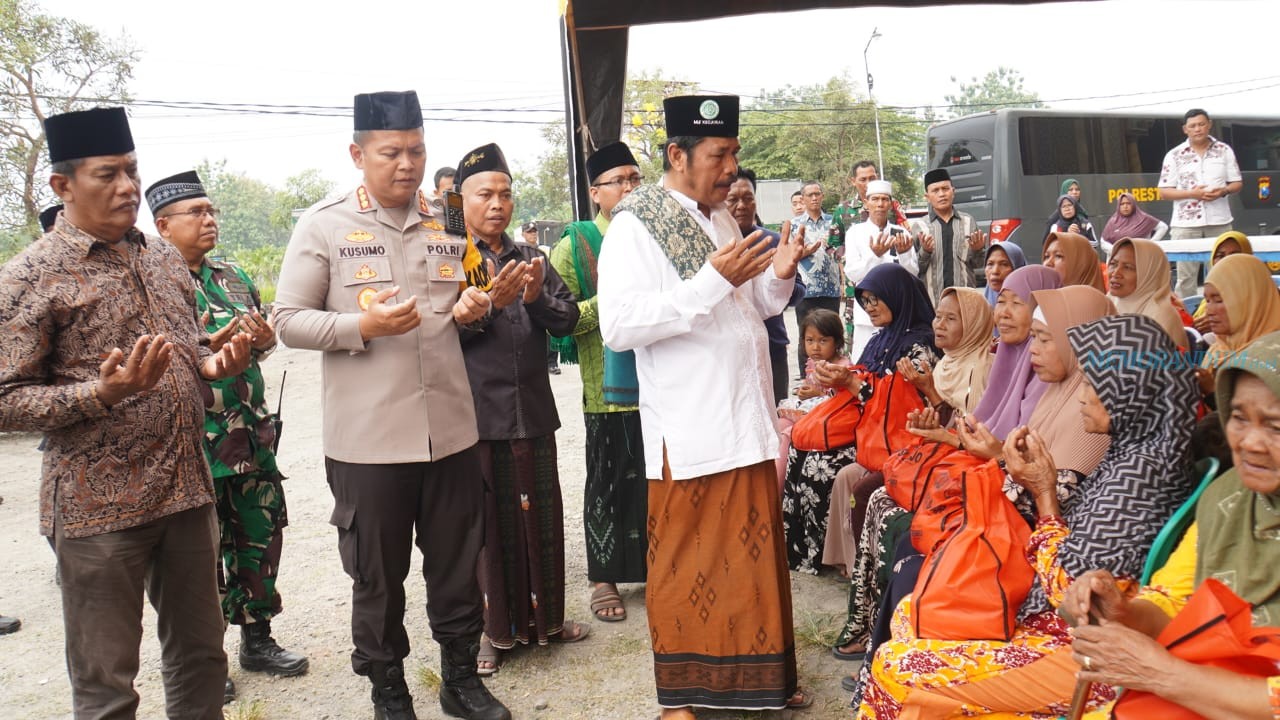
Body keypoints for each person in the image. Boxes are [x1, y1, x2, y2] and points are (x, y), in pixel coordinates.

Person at [0, 106, 254, 718]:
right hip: (96, 515)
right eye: (108, 174)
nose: (128, 188)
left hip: (186, 493)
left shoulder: (163, 258)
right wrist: (100, 394)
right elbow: (4, 400)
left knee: (201, 660)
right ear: (62, 186)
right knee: (107, 684)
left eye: (133, 172)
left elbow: (187, 343)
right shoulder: (30, 277)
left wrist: (212, 363)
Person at [274, 91, 514, 720]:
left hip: (452, 433)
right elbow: (288, 320)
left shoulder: (446, 221)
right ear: (358, 154)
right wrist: (361, 327)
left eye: (416, 149)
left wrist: (473, 307)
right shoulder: (323, 224)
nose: (406, 163)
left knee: (459, 565)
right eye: (390, 152)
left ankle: (461, 681)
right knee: (378, 579)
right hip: (370, 442)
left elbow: (462, 300)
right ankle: (390, 692)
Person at [858, 313, 1198, 719]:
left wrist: (1045, 493)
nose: (1083, 396)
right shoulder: (1139, 451)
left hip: (1078, 652)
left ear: (1134, 389)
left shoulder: (1139, 480)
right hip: (1063, 630)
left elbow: (1071, 598)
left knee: (896, 663)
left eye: (1095, 384)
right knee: (909, 614)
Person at [597, 93, 818, 717]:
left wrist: (776, 273)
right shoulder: (636, 224)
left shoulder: (720, 217)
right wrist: (710, 281)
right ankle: (681, 700)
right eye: (719, 155)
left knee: (750, 561)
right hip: (692, 429)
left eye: (733, 155)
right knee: (684, 566)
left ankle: (760, 684)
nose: (731, 170)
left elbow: (751, 309)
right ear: (677, 154)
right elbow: (619, 324)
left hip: (743, 418)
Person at [147, 171, 309, 688]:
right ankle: (205, 660)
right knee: (200, 554)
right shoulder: (151, 284)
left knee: (259, 535)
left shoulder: (234, 275)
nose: (209, 219)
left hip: (251, 436)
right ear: (163, 225)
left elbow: (261, 342)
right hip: (193, 444)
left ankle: (258, 640)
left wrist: (262, 340)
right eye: (196, 212)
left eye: (211, 210)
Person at [1065, 331, 1280, 719]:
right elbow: (1175, 599)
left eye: (1275, 427)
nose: (1250, 443)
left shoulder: (1142, 473)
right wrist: (1121, 612)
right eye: (1238, 417)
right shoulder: (1231, 501)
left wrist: (1163, 675)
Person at [453, 142, 587, 675]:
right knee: (486, 528)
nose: (497, 204)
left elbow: (568, 321)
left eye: (505, 194)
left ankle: (547, 623)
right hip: (477, 418)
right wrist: (490, 305)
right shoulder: (447, 258)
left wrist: (534, 299)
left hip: (533, 412)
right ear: (460, 200)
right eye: (485, 194)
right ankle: (492, 633)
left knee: (543, 519)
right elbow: (444, 332)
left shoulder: (531, 259)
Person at [782, 265, 938, 576]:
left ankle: (833, 557)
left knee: (821, 465)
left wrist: (850, 383)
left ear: (897, 296)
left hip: (898, 439)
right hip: (865, 430)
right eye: (864, 301)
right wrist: (834, 380)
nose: (869, 307)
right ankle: (805, 552)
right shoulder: (880, 340)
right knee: (798, 449)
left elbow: (901, 405)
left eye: (876, 299)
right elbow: (861, 383)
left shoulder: (922, 344)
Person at [549, 140, 648, 625]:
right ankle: (603, 576)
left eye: (635, 179)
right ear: (596, 193)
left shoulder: (655, 234)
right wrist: (612, 302)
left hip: (659, 383)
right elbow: (559, 318)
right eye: (618, 181)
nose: (629, 189)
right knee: (607, 480)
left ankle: (653, 565)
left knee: (654, 478)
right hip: (604, 387)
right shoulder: (575, 243)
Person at [727, 167, 805, 404]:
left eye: (748, 198)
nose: (741, 205)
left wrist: (779, 278)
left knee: (776, 414)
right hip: (730, 350)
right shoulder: (715, 243)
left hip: (772, 345)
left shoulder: (772, 241)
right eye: (733, 199)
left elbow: (798, 292)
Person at [1159, 108, 1244, 299]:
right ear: (1185, 129)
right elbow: (1164, 191)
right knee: (1186, 277)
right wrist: (1193, 194)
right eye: (1193, 126)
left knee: (1223, 272)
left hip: (1220, 222)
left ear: (1209, 124)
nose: (1198, 129)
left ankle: (1225, 312)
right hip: (1185, 225)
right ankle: (1187, 320)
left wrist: (1223, 191)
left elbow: (1237, 182)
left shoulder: (1224, 150)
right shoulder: (1174, 155)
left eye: (1201, 124)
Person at [845, 179, 919, 361]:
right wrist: (875, 255)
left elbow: (913, 274)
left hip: (897, 314)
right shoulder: (855, 233)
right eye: (875, 199)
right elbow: (853, 273)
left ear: (891, 204)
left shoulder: (901, 232)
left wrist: (903, 254)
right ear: (866, 203)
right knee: (864, 365)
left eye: (885, 199)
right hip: (867, 315)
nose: (880, 204)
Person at [775, 309, 848, 489]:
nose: (815, 347)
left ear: (837, 342)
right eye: (810, 341)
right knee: (780, 424)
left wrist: (818, 395)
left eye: (823, 341)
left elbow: (844, 400)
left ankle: (777, 488)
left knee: (786, 433)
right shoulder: (813, 364)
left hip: (831, 419)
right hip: (814, 413)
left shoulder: (842, 367)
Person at [1197, 254, 1280, 397]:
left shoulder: (1271, 357)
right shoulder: (1217, 349)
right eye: (1207, 300)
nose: (1209, 311)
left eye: (1218, 300)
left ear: (1250, 301)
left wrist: (1212, 392)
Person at [911, 168, 987, 305]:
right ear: (927, 197)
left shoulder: (968, 222)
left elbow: (979, 265)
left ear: (953, 191)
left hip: (965, 303)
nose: (942, 194)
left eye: (945, 189)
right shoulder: (919, 227)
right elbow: (914, 269)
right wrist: (925, 252)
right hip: (932, 305)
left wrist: (978, 249)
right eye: (935, 190)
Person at [791, 179, 842, 376]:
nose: (814, 198)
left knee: (831, 334)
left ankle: (833, 376)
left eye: (817, 194)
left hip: (830, 289)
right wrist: (805, 252)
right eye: (809, 195)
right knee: (807, 337)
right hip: (805, 291)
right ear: (802, 199)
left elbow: (841, 253)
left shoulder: (833, 222)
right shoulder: (795, 225)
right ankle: (808, 379)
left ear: (822, 196)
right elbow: (788, 255)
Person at [1106, 237, 1187, 347]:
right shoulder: (1109, 301)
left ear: (1149, 274)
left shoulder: (1161, 316)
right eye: (1113, 264)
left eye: (1128, 267)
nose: (1115, 273)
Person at [1191, 229, 1253, 330]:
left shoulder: (1260, 292)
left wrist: (1224, 322)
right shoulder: (1211, 292)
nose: (1227, 260)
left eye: (1234, 255)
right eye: (1220, 256)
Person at [1100, 191, 1169, 254]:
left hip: (1140, 257)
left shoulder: (1143, 218)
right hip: (1118, 258)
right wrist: (1114, 250)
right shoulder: (1113, 221)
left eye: (1128, 203)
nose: (1125, 206)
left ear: (1133, 204)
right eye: (1122, 204)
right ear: (1118, 206)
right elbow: (1103, 241)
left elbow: (1163, 227)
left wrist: (1151, 243)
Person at [983, 240, 1027, 306]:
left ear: (1018, 269)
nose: (995, 271)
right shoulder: (982, 306)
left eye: (1004, 264)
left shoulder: (1032, 309)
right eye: (990, 264)